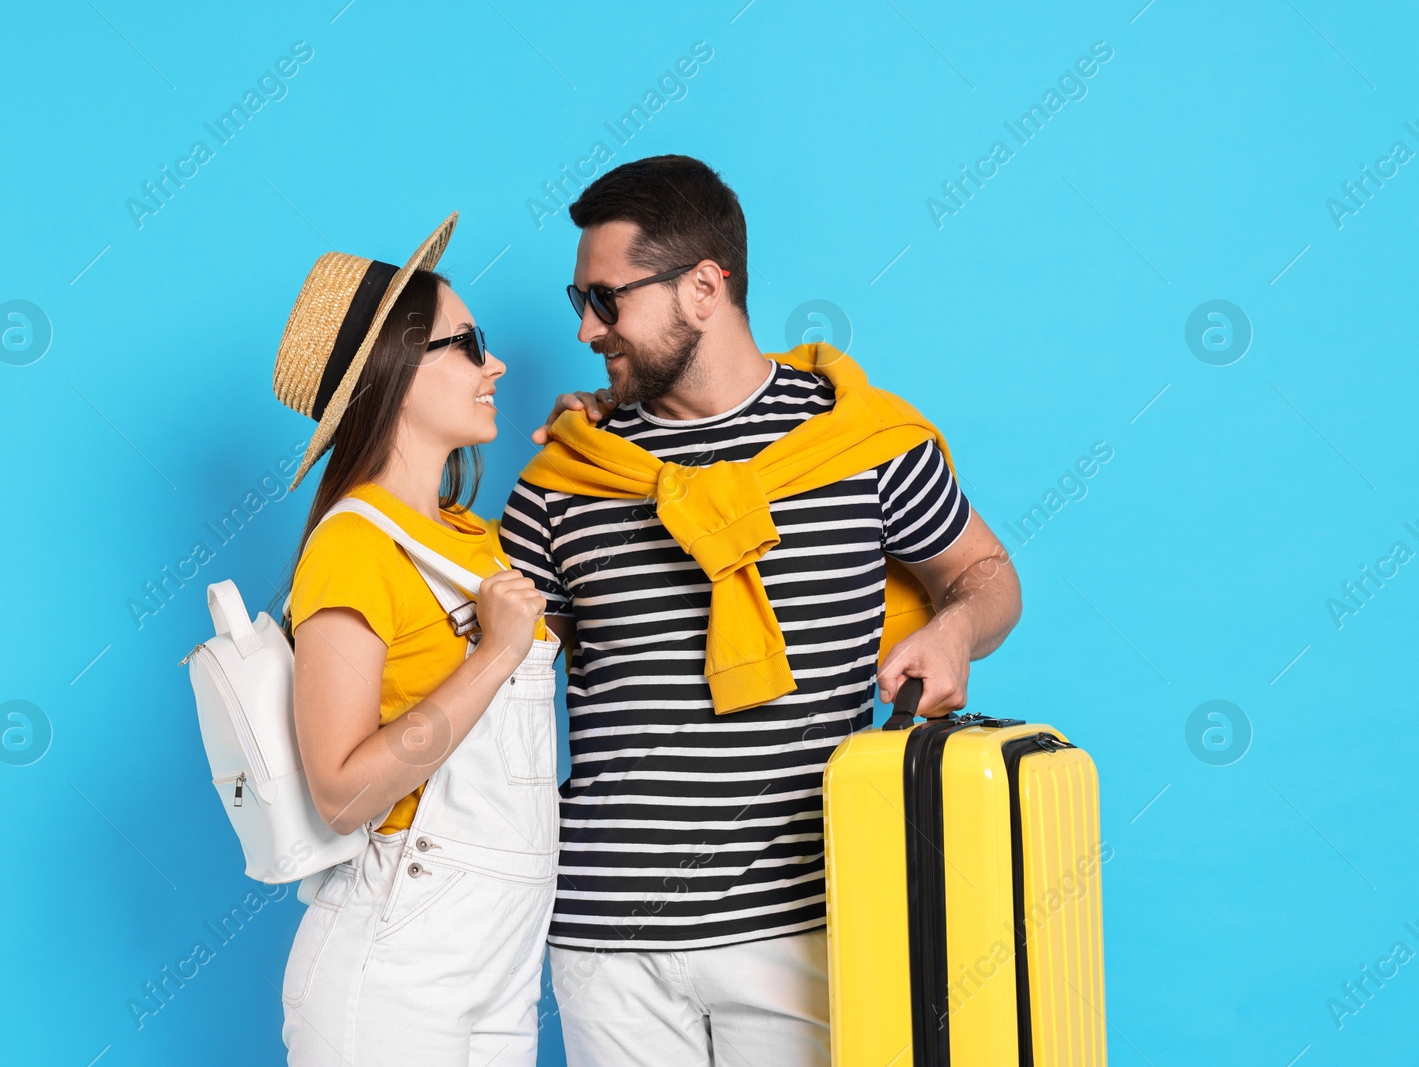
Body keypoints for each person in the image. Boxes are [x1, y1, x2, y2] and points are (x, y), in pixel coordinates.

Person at [498, 156, 1023, 1066]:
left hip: (810, 918)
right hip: (608, 934)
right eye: (575, 301)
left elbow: (986, 572)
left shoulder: (862, 444)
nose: (585, 330)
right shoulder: (568, 473)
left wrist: (955, 626)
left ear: (704, 287)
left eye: (605, 299)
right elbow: (492, 681)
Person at [267, 212, 558, 1065]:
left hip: (504, 962)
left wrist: (597, 436)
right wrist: (497, 652)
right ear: (395, 374)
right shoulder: (353, 547)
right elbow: (344, 793)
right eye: (468, 344)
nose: (495, 362)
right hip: (396, 965)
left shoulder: (478, 539)